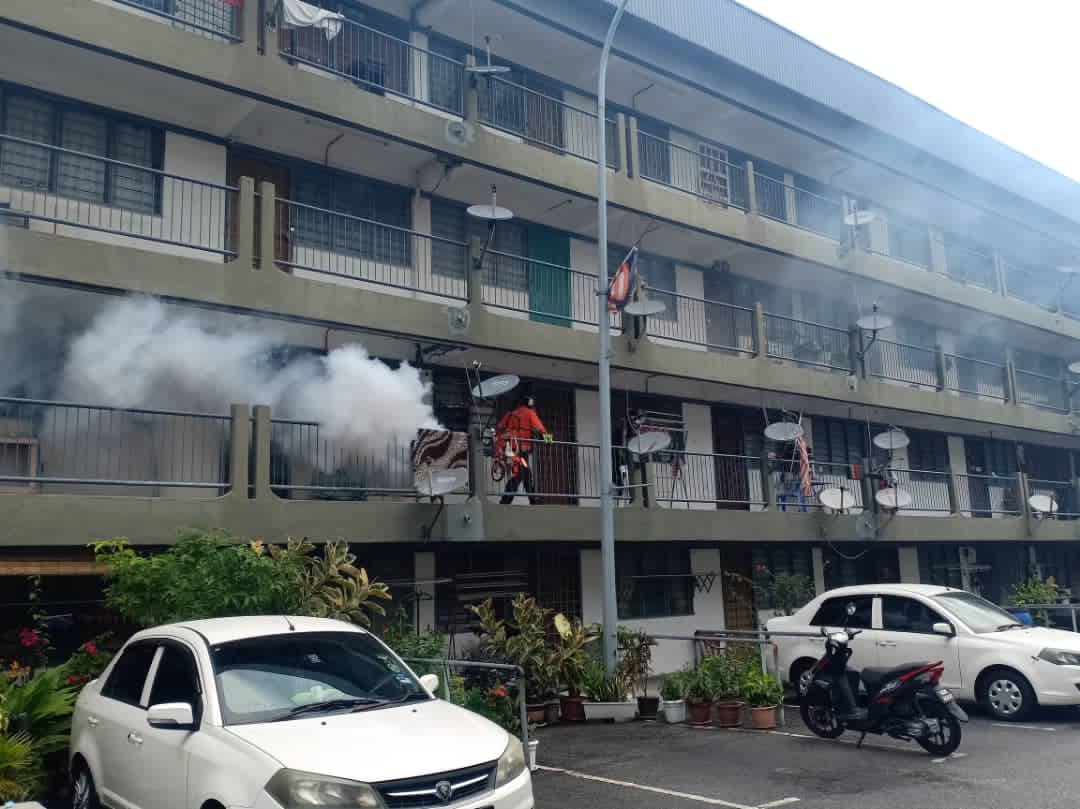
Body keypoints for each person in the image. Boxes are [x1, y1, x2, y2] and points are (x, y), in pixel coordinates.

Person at [495, 394, 552, 504]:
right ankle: (506, 500)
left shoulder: (511, 413)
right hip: (521, 449)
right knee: (519, 475)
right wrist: (549, 440)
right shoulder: (529, 413)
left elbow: (500, 427)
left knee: (525, 474)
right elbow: (540, 428)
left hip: (510, 449)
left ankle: (533, 499)